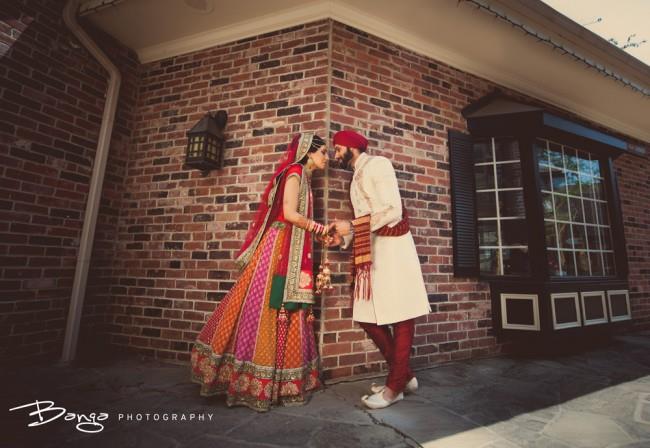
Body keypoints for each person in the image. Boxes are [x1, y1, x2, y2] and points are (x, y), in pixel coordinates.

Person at [191, 133, 331, 412]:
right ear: (308, 152)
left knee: (283, 308)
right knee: (267, 306)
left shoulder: (304, 176)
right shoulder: (294, 173)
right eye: (323, 152)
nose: (326, 157)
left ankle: (280, 380)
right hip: (279, 250)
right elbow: (289, 214)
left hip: (291, 247)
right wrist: (318, 228)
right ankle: (250, 377)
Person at [329, 130, 431, 409]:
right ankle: (404, 377)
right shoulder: (355, 177)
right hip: (372, 250)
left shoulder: (378, 164)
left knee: (401, 316)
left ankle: (394, 388)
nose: (335, 154)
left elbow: (393, 210)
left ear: (351, 146)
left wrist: (351, 226)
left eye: (338, 148)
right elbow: (365, 220)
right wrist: (344, 237)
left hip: (394, 248)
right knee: (366, 314)